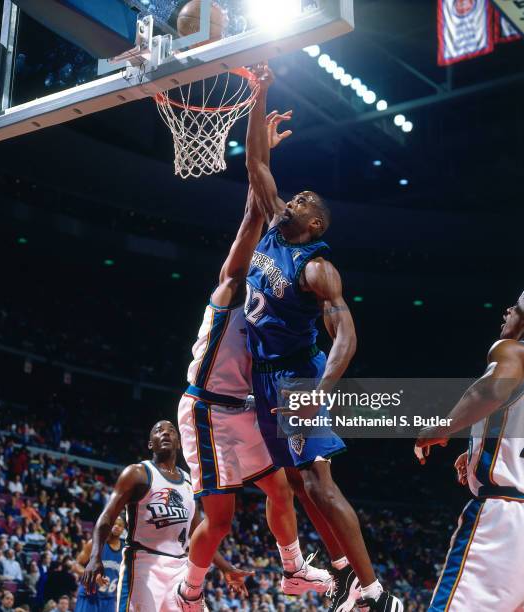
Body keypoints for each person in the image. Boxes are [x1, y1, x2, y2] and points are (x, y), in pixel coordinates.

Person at [245, 65, 403, 612]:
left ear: (316, 226)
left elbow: (346, 337)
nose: (298, 197)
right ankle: (341, 574)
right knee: (294, 479)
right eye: (299, 194)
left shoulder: (316, 268)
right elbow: (257, 165)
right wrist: (259, 92)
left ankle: (377, 593)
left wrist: (320, 391)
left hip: (295, 377)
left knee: (318, 482)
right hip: (262, 377)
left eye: (307, 200)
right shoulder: (271, 224)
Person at [176, 111, 333, 610]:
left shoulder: (280, 296)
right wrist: (257, 160)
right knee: (219, 520)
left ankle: (293, 571)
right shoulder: (230, 286)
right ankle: (189, 592)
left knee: (281, 488)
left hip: (241, 407)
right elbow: (254, 217)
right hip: (206, 410)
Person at [416, 289, 524, 611]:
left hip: (509, 520)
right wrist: (480, 448)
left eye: (516, 306)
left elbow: (492, 390)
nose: (507, 310)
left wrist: (439, 429)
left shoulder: (513, 351)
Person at [82, 421, 251, 612]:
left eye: (171, 431)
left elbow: (197, 536)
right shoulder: (137, 473)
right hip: (143, 565)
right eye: (158, 430)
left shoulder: (189, 481)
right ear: (150, 444)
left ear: (179, 443)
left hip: (180, 568)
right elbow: (107, 517)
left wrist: (226, 567)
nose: (165, 433)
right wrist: (95, 556)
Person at [74, 517, 124, 612]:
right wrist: (92, 576)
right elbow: (76, 566)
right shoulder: (94, 544)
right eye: (114, 523)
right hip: (89, 596)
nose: (117, 526)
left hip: (109, 599)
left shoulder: (125, 551)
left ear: (123, 529)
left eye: (120, 525)